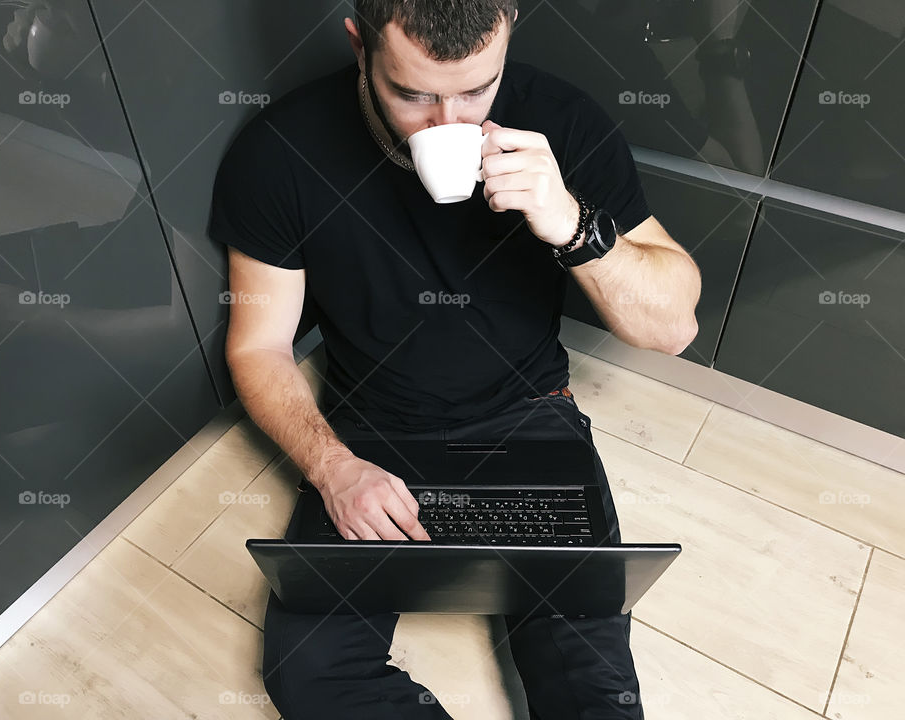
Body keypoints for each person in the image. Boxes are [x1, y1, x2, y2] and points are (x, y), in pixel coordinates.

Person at [209, 1, 701, 717]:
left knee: (595, 693)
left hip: (533, 418)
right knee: (310, 673)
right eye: (413, 93)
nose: (450, 125)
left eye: (477, 90)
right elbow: (258, 345)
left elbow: (674, 325)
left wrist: (570, 223)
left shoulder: (561, 121)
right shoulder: (280, 150)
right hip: (370, 434)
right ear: (359, 46)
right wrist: (332, 467)